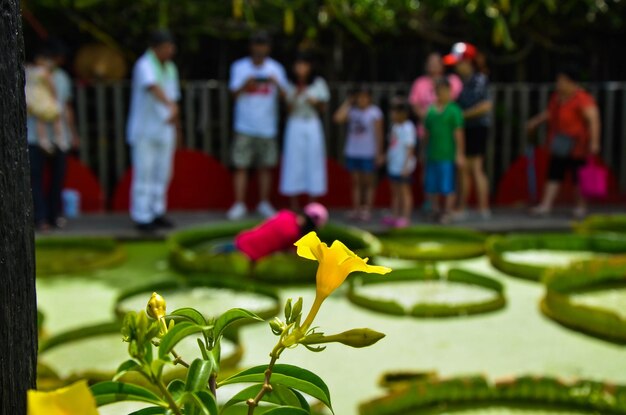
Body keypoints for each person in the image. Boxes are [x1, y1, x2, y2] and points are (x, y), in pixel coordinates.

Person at [228, 30, 289, 220]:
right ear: (251, 46)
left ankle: (264, 203)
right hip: (244, 126)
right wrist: (246, 84)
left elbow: (285, 97)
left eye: (263, 44)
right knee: (241, 165)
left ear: (268, 48)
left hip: (267, 126)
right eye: (256, 44)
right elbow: (233, 94)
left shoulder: (276, 68)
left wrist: (276, 83)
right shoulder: (239, 67)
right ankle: (239, 204)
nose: (259, 48)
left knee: (266, 167)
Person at [527, 64, 601, 218]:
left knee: (578, 176)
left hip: (578, 144)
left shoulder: (582, 98)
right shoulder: (557, 97)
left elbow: (593, 120)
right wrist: (536, 121)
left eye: (562, 81)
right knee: (554, 173)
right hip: (560, 141)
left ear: (571, 82)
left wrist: (594, 142)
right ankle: (546, 205)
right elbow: (550, 113)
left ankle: (581, 207)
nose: (559, 84)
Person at [126, 30, 180, 232]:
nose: (170, 51)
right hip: (144, 130)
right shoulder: (144, 64)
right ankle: (142, 215)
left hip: (165, 129)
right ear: (156, 47)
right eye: (167, 47)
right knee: (144, 173)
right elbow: (153, 87)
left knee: (163, 173)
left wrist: (175, 120)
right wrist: (170, 106)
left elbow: (174, 98)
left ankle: (157, 211)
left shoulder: (170, 68)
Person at [26, 42, 79, 231]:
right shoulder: (29, 74)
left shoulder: (62, 77)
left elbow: (65, 105)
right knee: (35, 178)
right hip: (34, 134)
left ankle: (54, 214)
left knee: (58, 177)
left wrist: (73, 133)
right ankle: (39, 218)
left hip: (59, 133)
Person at [444, 42, 492, 219]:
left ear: (468, 62)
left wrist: (462, 115)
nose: (456, 65)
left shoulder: (479, 79)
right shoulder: (458, 81)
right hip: (464, 128)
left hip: (477, 127)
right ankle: (464, 208)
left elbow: (486, 105)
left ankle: (482, 208)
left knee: (475, 168)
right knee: (464, 169)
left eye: (459, 62)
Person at [279, 52, 330, 210]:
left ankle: (312, 207)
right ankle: (294, 207)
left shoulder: (318, 83)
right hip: (295, 124)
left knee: (313, 161)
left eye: (304, 65)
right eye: (298, 65)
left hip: (312, 124)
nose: (301, 68)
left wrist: (313, 101)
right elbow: (287, 109)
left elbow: (323, 108)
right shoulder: (289, 84)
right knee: (293, 162)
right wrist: (295, 95)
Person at [333, 86, 384, 222]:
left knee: (368, 182)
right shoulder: (352, 111)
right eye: (359, 97)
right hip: (353, 151)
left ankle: (366, 208)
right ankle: (356, 209)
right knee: (356, 182)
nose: (362, 100)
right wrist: (349, 102)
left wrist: (379, 153)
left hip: (368, 152)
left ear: (370, 98)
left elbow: (379, 134)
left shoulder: (375, 112)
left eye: (365, 97)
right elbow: (337, 118)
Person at [423, 78, 465, 224]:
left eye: (444, 91)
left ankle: (447, 212)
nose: (442, 93)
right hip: (432, 154)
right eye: (439, 91)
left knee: (447, 186)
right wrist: (423, 151)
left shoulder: (454, 110)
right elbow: (426, 133)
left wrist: (459, 153)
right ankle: (434, 210)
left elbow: (458, 133)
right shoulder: (431, 110)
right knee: (432, 185)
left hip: (447, 155)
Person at [234, 203, 328, 261]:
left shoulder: (286, 214)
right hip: (250, 255)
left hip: (242, 239)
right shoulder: (295, 237)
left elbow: (261, 226)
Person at [384, 98, 417, 228]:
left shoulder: (408, 128)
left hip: (404, 166)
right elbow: (392, 146)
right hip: (394, 165)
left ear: (404, 113)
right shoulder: (394, 127)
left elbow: (410, 148)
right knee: (395, 192)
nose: (393, 115)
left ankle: (405, 217)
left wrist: (406, 166)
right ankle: (395, 215)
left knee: (404, 192)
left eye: (396, 112)